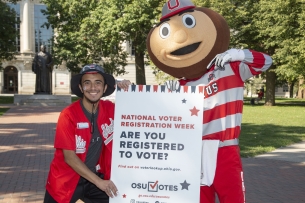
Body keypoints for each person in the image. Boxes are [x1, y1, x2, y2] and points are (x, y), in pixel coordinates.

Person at [146, 0, 273, 202]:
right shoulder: (180, 86)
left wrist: (238, 54)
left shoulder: (230, 68)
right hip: (192, 152)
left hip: (225, 149)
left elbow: (267, 62)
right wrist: (169, 98)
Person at [44, 64, 119, 203]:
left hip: (94, 178)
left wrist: (129, 89)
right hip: (66, 179)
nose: (93, 88)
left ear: (104, 88)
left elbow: (136, 112)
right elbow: (70, 157)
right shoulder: (68, 115)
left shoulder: (110, 109)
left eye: (98, 83)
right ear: (80, 88)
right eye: (87, 83)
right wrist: (99, 182)